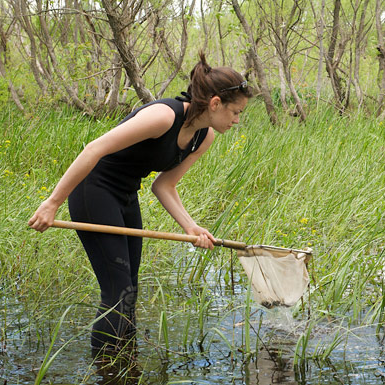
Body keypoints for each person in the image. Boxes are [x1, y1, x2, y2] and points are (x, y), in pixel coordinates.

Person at [28, 53, 252, 358]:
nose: (237, 120)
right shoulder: (163, 116)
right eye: (236, 112)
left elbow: (164, 185)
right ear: (215, 103)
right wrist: (52, 202)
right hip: (94, 190)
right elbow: (94, 149)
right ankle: (107, 372)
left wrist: (191, 226)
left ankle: (126, 363)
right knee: (117, 292)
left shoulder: (205, 136)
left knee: (129, 291)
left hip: (125, 195)